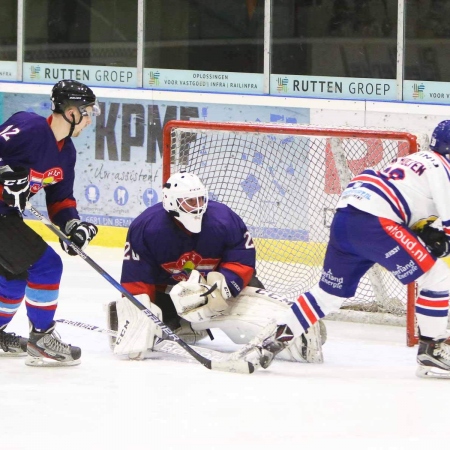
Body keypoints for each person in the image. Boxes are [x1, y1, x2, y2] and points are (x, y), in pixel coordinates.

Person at [244, 120, 450, 378]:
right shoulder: (444, 168)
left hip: (347, 218)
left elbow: (407, 200)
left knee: (328, 295)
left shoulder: (416, 160)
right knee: (438, 277)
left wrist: (425, 232)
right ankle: (432, 349)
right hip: (375, 222)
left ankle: (268, 343)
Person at [107, 171, 325, 362]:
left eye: (200, 199)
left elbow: (242, 257)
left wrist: (223, 286)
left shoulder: (224, 219)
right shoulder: (147, 227)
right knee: (158, 322)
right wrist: (138, 317)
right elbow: (136, 278)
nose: (198, 206)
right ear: (172, 203)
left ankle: (290, 331)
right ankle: (183, 324)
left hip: (217, 288)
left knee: (253, 304)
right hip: (170, 293)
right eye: (189, 202)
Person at [0, 79, 100, 366]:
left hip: (5, 216)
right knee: (46, 265)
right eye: (88, 113)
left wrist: (72, 227)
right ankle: (42, 338)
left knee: (13, 276)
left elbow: (61, 200)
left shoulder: (66, 152)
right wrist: (4, 178)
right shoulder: (29, 127)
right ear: (71, 113)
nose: (89, 121)